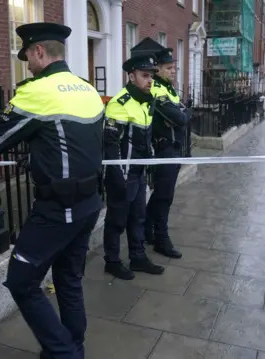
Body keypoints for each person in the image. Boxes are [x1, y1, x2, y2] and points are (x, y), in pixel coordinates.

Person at [0, 22, 105, 359]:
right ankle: (73, 347)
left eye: (28, 55)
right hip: (89, 202)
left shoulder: (37, 91)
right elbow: (75, 145)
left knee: (21, 281)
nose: (27, 64)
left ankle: (64, 354)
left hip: (60, 208)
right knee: (69, 280)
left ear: (39, 52)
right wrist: (40, 158)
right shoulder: (86, 89)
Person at [102, 54, 166, 280]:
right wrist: (118, 177)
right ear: (131, 76)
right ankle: (112, 261)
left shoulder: (145, 100)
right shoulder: (119, 104)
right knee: (117, 220)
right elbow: (111, 146)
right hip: (123, 174)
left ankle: (137, 257)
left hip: (138, 172)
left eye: (152, 76)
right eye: (145, 75)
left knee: (138, 217)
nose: (150, 81)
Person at [144, 46, 190, 259]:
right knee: (164, 196)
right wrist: (183, 112)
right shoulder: (156, 90)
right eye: (169, 68)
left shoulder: (168, 90)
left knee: (161, 194)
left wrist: (183, 112)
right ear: (158, 70)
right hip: (164, 149)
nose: (173, 72)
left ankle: (147, 229)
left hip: (174, 148)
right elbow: (182, 118)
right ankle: (161, 239)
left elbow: (184, 114)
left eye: (174, 68)